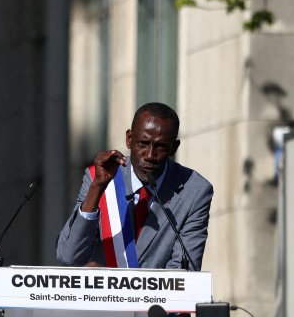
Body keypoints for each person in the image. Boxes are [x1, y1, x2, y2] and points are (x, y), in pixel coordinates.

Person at [56, 102, 214, 270]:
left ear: (173, 148)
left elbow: (184, 272)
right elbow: (69, 257)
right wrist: (97, 187)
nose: (150, 155)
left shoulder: (195, 190)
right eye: (143, 144)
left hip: (158, 296)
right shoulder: (100, 177)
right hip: (104, 296)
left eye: (160, 147)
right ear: (129, 139)